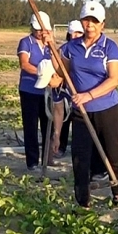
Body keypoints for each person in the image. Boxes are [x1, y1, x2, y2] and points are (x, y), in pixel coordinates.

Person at [58, 0, 118, 207]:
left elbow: (115, 79)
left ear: (102, 24)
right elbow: (62, 72)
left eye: (94, 21)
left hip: (107, 109)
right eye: (86, 20)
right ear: (81, 21)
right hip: (80, 110)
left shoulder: (110, 47)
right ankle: (83, 199)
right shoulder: (71, 47)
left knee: (113, 152)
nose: (90, 25)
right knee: (80, 156)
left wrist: (89, 95)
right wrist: (52, 51)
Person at [16, 12, 61, 171]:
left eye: (43, 30)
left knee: (48, 124)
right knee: (31, 126)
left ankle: (48, 159)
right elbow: (24, 64)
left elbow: (58, 62)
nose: (40, 33)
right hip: (29, 89)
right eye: (38, 30)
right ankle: (32, 161)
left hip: (47, 91)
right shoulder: (26, 43)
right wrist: (42, 74)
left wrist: (52, 44)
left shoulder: (50, 45)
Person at [51, 19, 84, 162]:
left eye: (79, 33)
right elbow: (58, 70)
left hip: (81, 91)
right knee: (63, 115)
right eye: (73, 33)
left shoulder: (86, 50)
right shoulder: (63, 50)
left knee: (81, 122)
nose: (75, 36)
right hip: (64, 88)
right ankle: (60, 145)